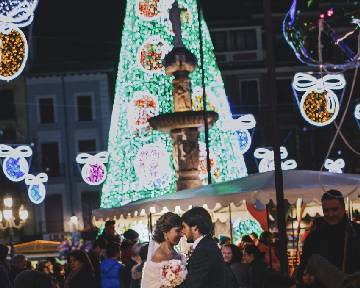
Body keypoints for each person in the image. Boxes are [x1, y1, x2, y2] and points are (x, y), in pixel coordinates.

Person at [298, 190, 360, 286]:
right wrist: (305, 277)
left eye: (334, 209)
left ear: (343, 208)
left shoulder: (356, 232)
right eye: (326, 210)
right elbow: (303, 269)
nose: (330, 214)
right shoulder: (314, 237)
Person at [180, 207, 225, 288]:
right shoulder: (206, 244)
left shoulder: (204, 250)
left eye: (184, 227)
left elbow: (194, 284)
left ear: (195, 227)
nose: (182, 232)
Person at [141, 212, 184, 288]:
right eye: (177, 231)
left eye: (181, 231)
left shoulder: (174, 253)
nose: (182, 234)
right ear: (165, 233)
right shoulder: (159, 257)